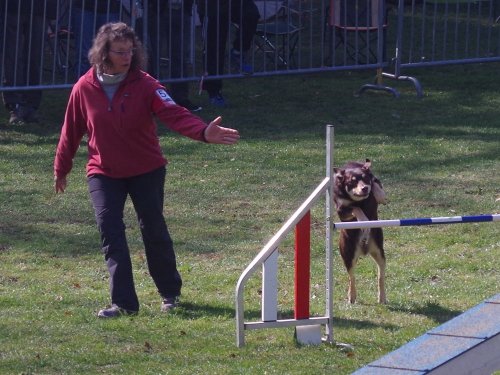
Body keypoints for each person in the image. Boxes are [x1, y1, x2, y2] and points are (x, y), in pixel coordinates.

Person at [53, 22, 240, 318]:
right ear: (104, 53)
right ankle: (124, 303)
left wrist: (204, 132)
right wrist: (61, 168)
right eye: (119, 52)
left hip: (146, 169)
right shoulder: (84, 88)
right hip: (103, 171)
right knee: (110, 231)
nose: (126, 57)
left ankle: (170, 294)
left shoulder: (146, 84)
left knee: (153, 229)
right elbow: (71, 131)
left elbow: (174, 114)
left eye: (130, 51)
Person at [137, 0, 201, 112]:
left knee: (180, 55)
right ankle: (155, 99)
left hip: (181, 9)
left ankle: (181, 97)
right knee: (154, 56)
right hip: (156, 9)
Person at [197, 0, 260, 107]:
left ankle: (238, 51)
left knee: (251, 13)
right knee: (214, 47)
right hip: (211, 7)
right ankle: (214, 92)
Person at [1, 0, 46, 124]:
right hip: (12, 7)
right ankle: (15, 105)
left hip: (40, 8)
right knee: (12, 56)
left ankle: (31, 105)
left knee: (35, 57)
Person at [72, 0, 123, 76]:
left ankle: (110, 82)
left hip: (111, 8)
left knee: (111, 49)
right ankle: (84, 84)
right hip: (84, 7)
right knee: (84, 53)